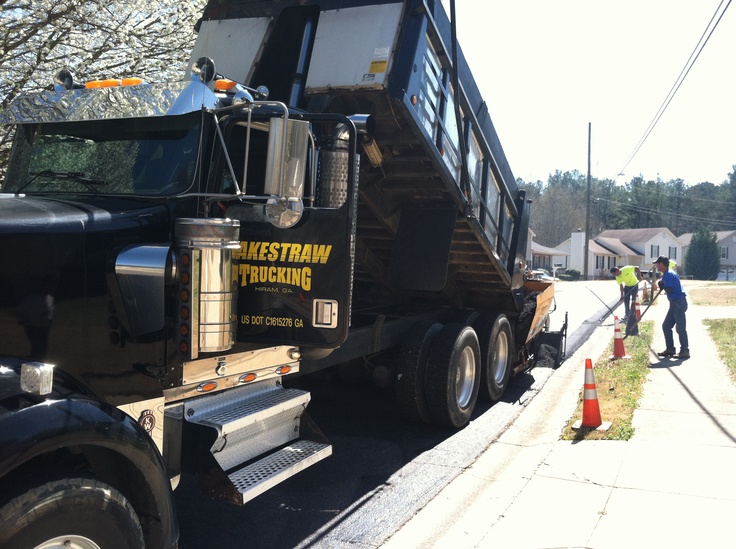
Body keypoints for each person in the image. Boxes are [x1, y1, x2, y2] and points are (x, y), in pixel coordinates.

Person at [653, 255, 689, 359]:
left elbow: (668, 289)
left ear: (661, 264)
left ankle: (685, 350)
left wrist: (661, 284)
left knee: (680, 328)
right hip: (675, 303)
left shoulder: (668, 274)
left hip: (678, 303)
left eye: (657, 264)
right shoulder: (667, 274)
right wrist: (662, 284)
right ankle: (670, 349)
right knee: (666, 326)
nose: (656, 266)